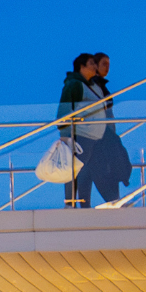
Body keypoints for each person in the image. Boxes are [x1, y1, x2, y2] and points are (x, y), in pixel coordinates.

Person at [56, 53, 113, 209]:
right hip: (81, 135)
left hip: (94, 137)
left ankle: (85, 204)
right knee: (75, 168)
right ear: (81, 67)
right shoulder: (75, 85)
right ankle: (71, 203)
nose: (95, 67)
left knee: (87, 170)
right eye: (91, 64)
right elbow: (64, 111)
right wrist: (66, 136)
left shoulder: (92, 86)